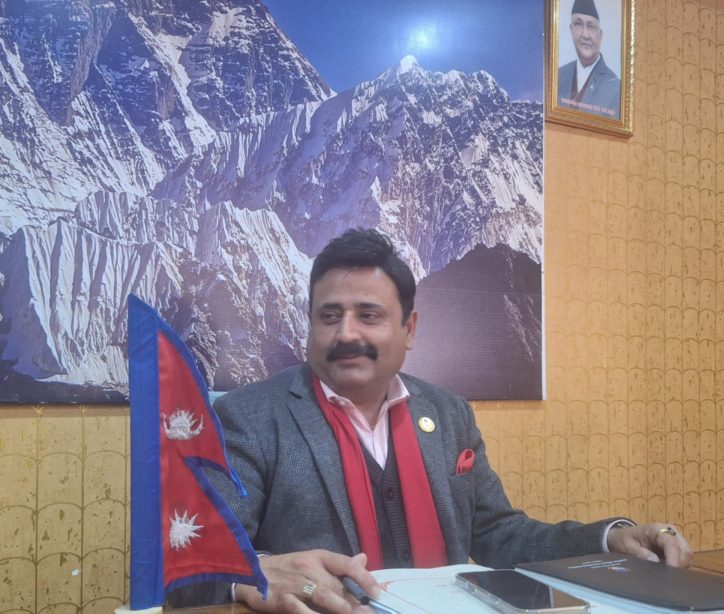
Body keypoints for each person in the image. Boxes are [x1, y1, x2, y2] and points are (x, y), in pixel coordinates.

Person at [169, 228, 691, 612]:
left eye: (368, 315)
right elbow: (188, 565)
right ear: (309, 325)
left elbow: (497, 533)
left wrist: (608, 540)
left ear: (410, 328)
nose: (346, 333)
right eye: (329, 316)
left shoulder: (448, 412)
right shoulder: (249, 417)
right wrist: (253, 571)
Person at [557, 0, 621, 119]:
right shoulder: (557, 76)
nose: (585, 35)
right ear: (571, 30)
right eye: (578, 24)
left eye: (591, 26)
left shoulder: (616, 89)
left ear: (600, 35)